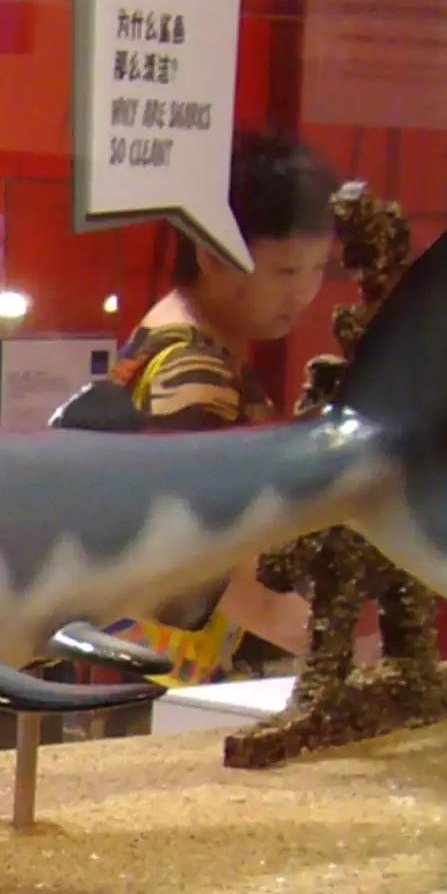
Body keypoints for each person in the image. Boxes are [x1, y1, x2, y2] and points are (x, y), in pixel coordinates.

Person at [101, 131, 339, 677]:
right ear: (211, 255)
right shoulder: (195, 371)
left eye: (317, 269)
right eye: (284, 271)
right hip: (189, 681)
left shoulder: (175, 338)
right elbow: (202, 552)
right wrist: (331, 643)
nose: (303, 293)